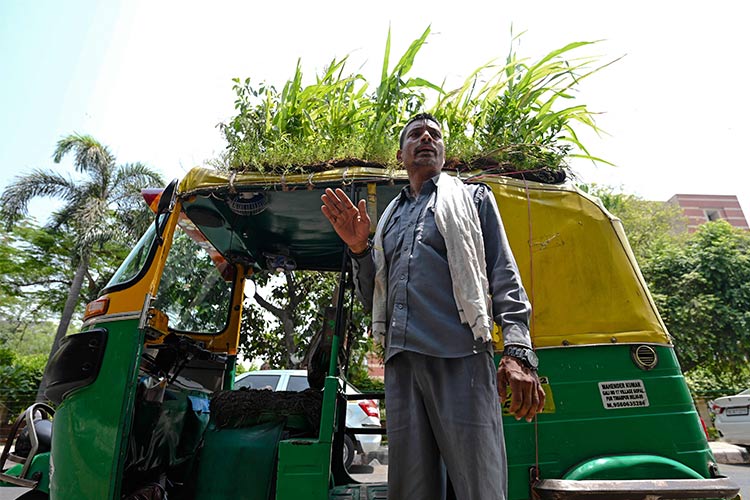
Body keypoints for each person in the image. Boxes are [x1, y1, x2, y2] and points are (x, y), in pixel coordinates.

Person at [321, 113, 545, 499]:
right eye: (414, 134)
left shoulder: (473, 200)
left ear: (443, 152)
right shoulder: (389, 218)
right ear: (400, 154)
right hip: (403, 366)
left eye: (434, 135)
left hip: (459, 356)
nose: (425, 137)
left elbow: (503, 275)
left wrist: (518, 353)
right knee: (412, 490)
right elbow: (375, 298)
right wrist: (359, 249)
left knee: (480, 485)